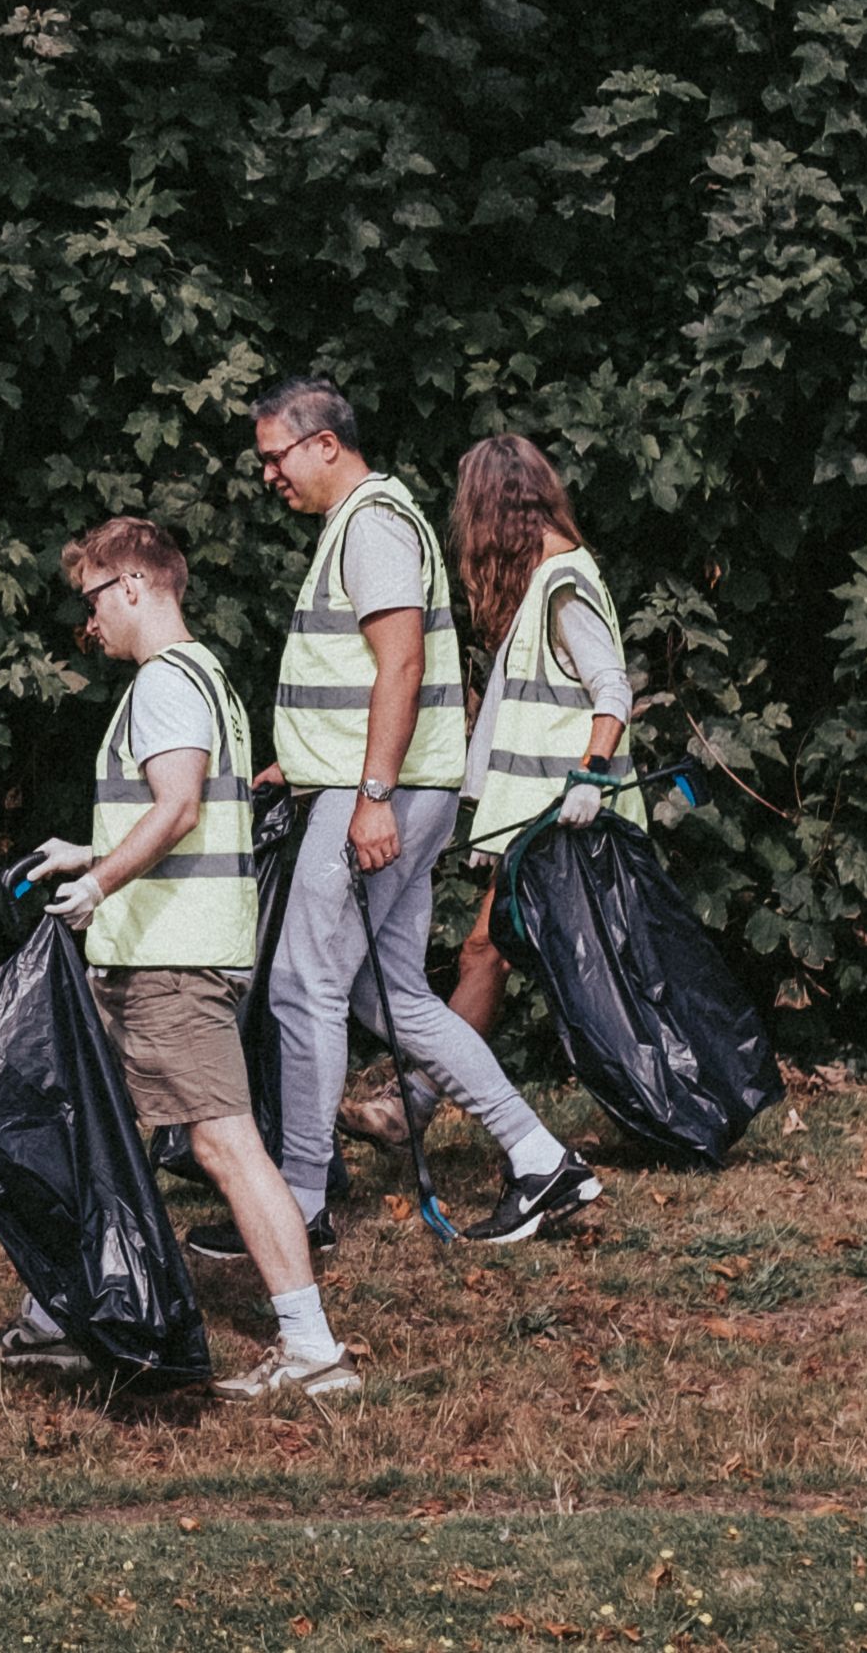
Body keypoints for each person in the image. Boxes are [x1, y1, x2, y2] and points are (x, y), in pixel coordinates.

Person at [0, 517, 356, 1400]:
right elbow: (168, 812)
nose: (90, 622)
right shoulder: (204, 679)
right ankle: (58, 1321)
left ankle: (312, 1350)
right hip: (161, 952)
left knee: (226, 1147)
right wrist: (89, 847)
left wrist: (100, 883)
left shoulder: (164, 684)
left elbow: (178, 806)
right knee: (82, 1128)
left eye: (94, 600)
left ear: (136, 586)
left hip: (168, 963)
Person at [224, 374, 602, 1250]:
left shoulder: (374, 525)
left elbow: (400, 667)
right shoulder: (355, 526)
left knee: (299, 984)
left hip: (383, 800)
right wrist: (307, 760)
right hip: (380, 789)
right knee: (391, 996)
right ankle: (541, 1161)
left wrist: (371, 796)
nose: (269, 476)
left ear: (325, 443)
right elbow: (363, 676)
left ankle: (299, 1206)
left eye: (275, 457)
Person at [438, 431, 646, 1051]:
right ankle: (413, 1101)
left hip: (568, 823)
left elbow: (614, 690)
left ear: (492, 516)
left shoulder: (561, 588)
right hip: (548, 826)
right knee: (512, 955)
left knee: (491, 951)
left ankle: (413, 1101)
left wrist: (590, 776)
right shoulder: (550, 583)